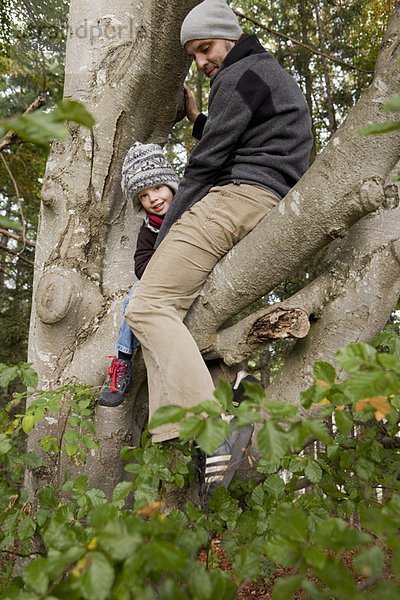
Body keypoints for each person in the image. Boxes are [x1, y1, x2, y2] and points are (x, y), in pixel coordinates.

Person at [125, 0, 313, 502]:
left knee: (147, 304)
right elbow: (239, 134)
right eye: (193, 55)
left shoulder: (242, 74)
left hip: (234, 198)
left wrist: (166, 232)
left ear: (228, 35)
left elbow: (204, 168)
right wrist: (200, 117)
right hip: (263, 195)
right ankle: (188, 437)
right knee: (175, 315)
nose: (202, 62)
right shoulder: (260, 75)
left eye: (205, 48)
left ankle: (214, 423)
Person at [98, 143, 178, 407]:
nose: (153, 198)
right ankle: (122, 361)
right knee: (132, 299)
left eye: (157, 188)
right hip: (157, 283)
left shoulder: (191, 211)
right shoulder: (148, 232)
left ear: (171, 185)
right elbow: (141, 267)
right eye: (143, 195)